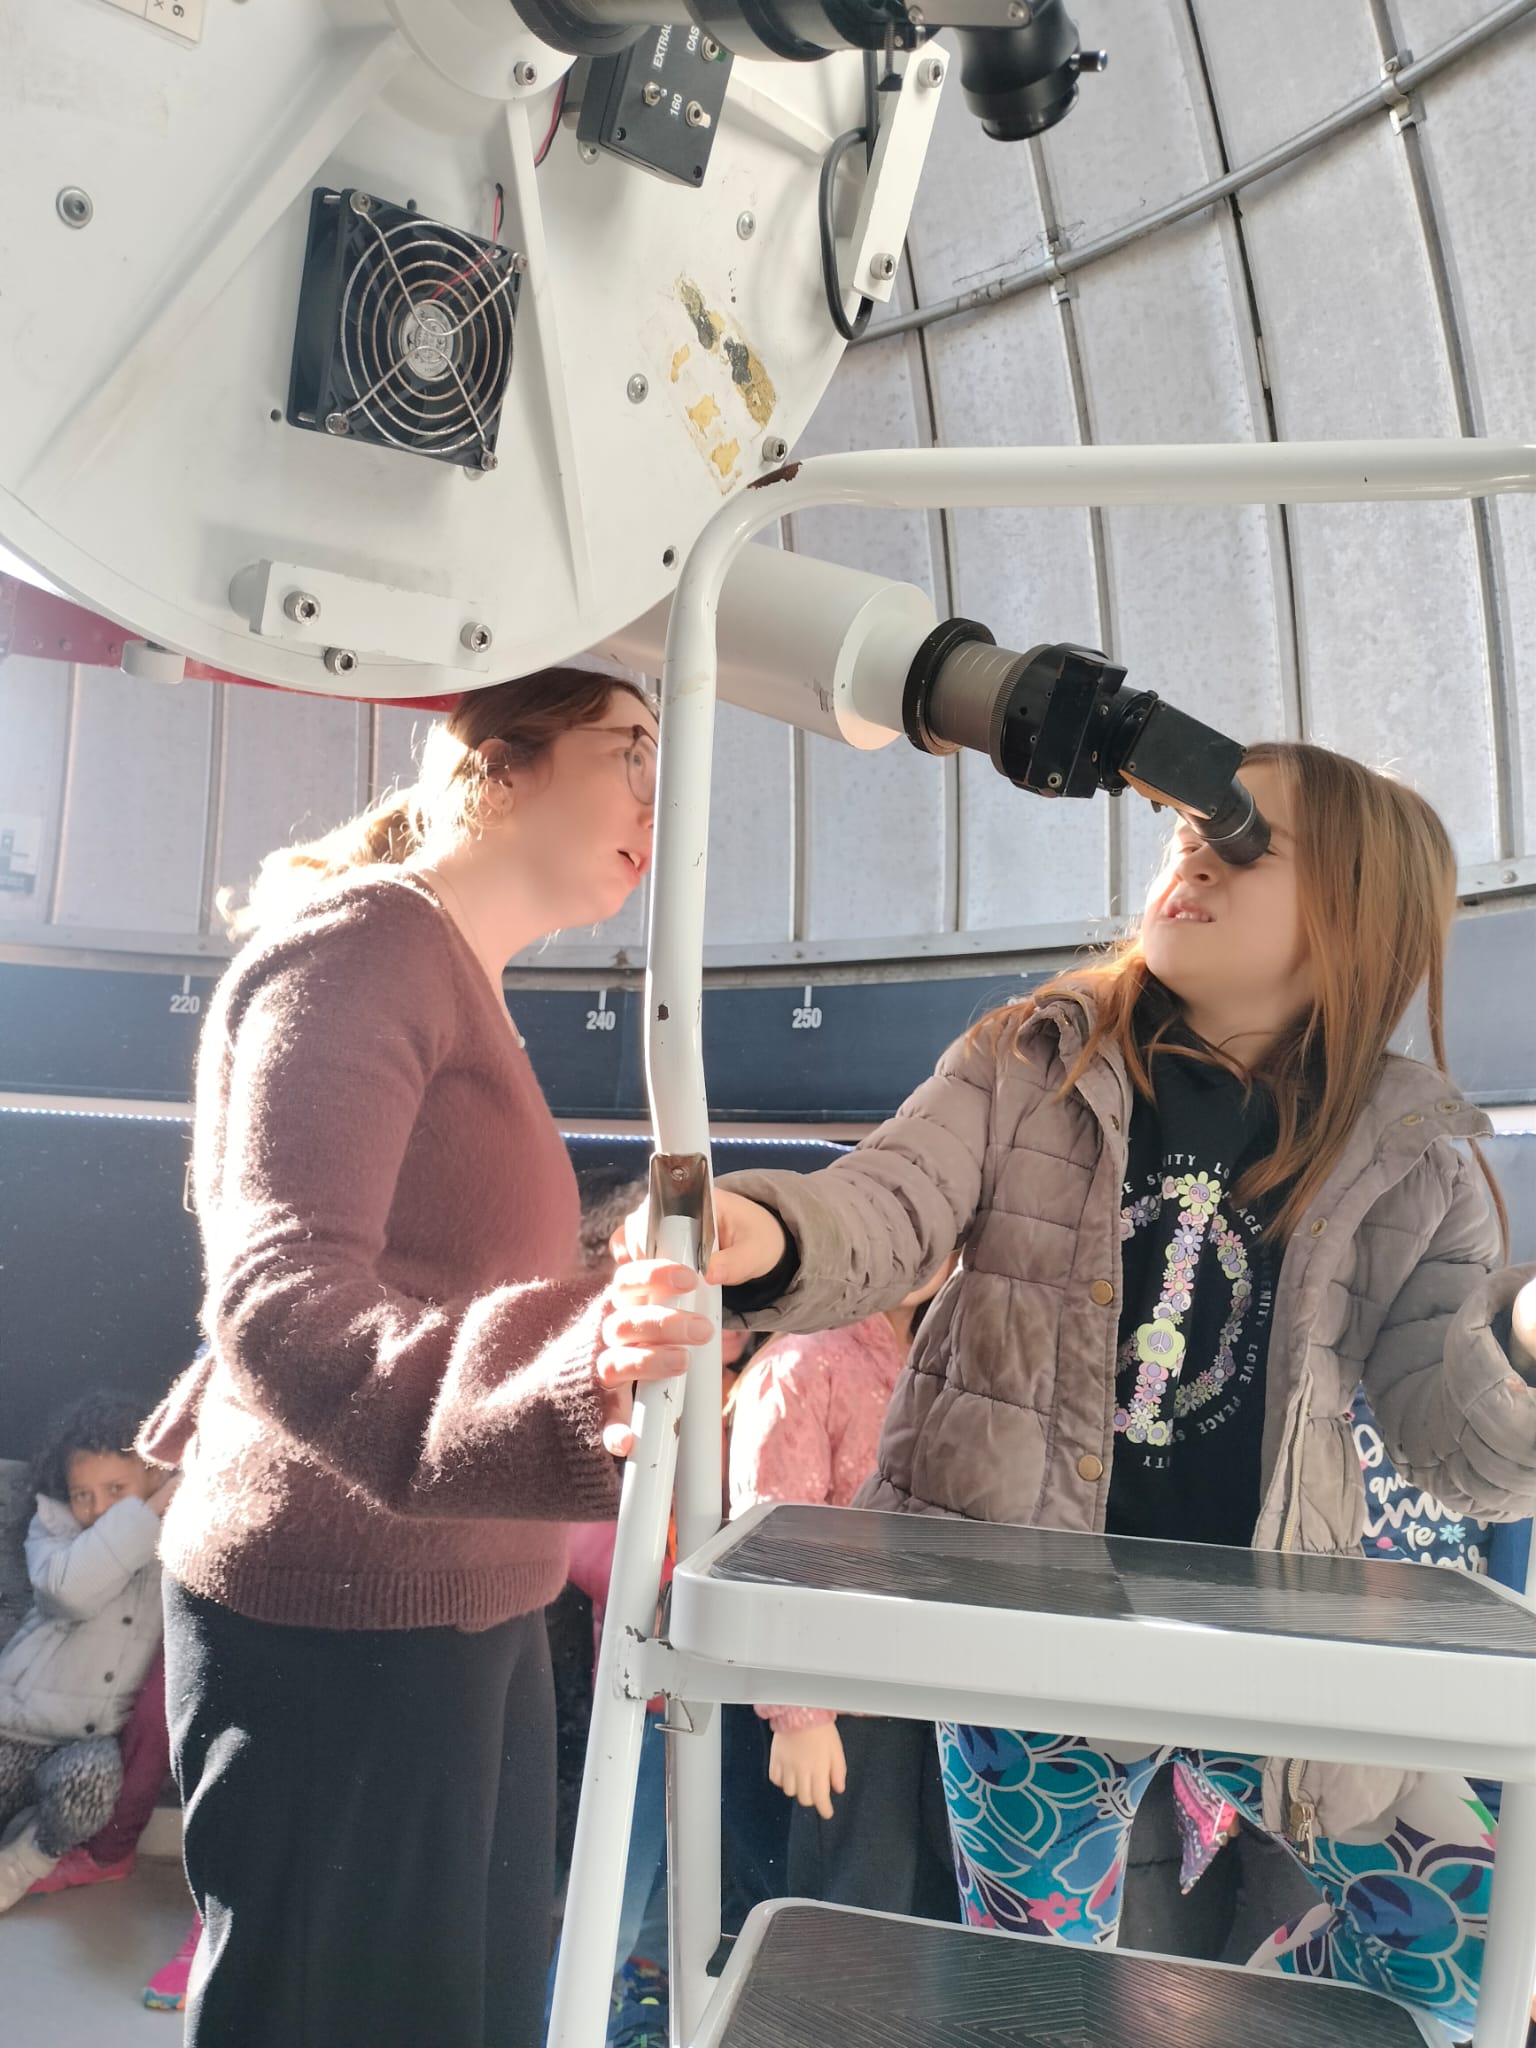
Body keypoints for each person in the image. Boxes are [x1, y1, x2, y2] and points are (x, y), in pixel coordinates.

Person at [604, 740, 1536, 2040]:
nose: (1194, 851)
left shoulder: (1412, 1154)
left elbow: (1456, 1449)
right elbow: (890, 1202)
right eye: (1191, 829)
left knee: (1476, 1946)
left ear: (1354, 912)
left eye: (1248, 841)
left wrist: (1522, 1341)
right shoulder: (1028, 1059)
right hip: (1026, 1625)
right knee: (1038, 1987)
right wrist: (767, 1231)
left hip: (1270, 1640)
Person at [135, 669, 714, 2048]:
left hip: (464, 1601)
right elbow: (279, 1297)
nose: (662, 800)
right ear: (497, 764)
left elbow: (437, 1281)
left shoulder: (452, 975)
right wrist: (575, 1369)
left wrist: (607, 1328)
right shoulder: (363, 947)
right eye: (630, 750)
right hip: (342, 1622)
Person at [727, 1263, 959, 1922]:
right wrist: (799, 1711)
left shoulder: (947, 1359)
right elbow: (773, 1557)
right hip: (841, 1705)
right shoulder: (802, 1365)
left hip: (934, 1698)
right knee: (849, 1916)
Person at [0, 1394, 177, 1909]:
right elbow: (70, 1593)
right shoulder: (54, 1527)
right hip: (14, 1726)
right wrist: (146, 1510)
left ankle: (21, 1864)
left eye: (116, 1490)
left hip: (82, 1744)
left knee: (94, 1786)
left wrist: (165, 1505)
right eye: (84, 1494)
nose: (98, 1509)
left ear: (154, 1474)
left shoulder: (171, 1546)